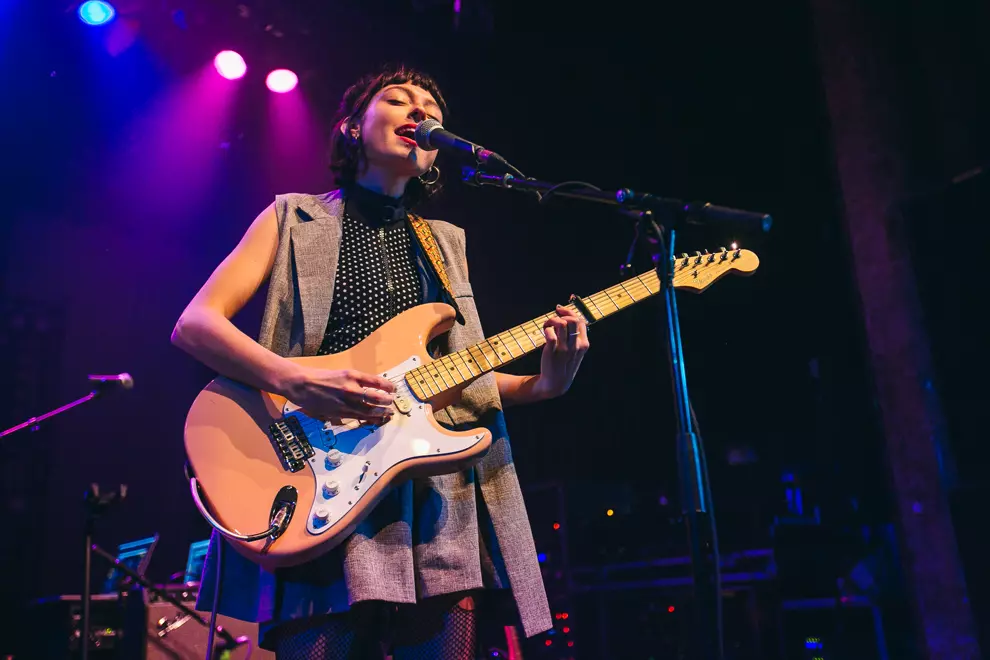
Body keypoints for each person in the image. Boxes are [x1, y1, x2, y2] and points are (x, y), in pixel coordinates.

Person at [171, 64, 590, 659]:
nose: (421, 113)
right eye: (399, 101)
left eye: (433, 111)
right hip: (315, 471)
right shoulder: (292, 217)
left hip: (432, 496)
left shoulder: (444, 242)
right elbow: (196, 324)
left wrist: (545, 381)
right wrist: (296, 379)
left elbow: (451, 375)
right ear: (350, 128)